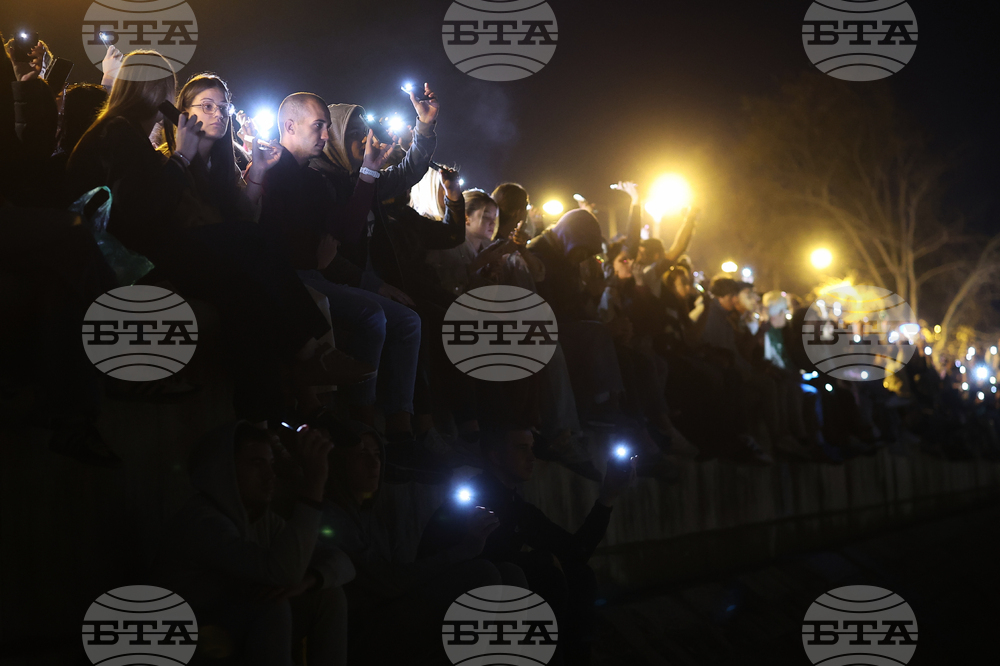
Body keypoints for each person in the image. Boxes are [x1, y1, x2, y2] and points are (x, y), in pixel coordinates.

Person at [259, 92, 441, 483]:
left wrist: (370, 173)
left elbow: (343, 231)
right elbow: (273, 237)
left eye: (327, 126)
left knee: (411, 321)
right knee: (372, 315)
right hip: (296, 279)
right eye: (317, 126)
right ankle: (363, 427)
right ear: (289, 126)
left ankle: (401, 430)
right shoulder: (275, 168)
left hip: (318, 274)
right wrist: (314, 254)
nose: (324, 134)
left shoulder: (314, 177)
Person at [418, 428, 636, 665]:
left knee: (579, 575)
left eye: (532, 448)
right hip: (444, 605)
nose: (532, 456)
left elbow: (575, 552)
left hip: (494, 596)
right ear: (495, 456)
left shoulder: (516, 506)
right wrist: (542, 559)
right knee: (546, 575)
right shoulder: (473, 499)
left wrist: (608, 496)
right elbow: (481, 561)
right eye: (522, 448)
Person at [319, 422, 526, 665]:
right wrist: (461, 551)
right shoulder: (330, 519)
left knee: (510, 574)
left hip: (389, 612)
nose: (374, 463)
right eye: (362, 454)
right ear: (339, 462)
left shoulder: (370, 516)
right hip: (366, 630)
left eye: (377, 454)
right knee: (481, 574)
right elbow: (387, 583)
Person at [154, 422, 354, 666]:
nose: (270, 475)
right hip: (190, 641)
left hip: (233, 632)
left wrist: (310, 579)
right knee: (271, 607)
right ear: (223, 470)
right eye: (256, 463)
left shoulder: (261, 519)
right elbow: (281, 572)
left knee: (328, 595)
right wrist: (314, 485)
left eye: (270, 464)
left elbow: (343, 562)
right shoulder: (202, 521)